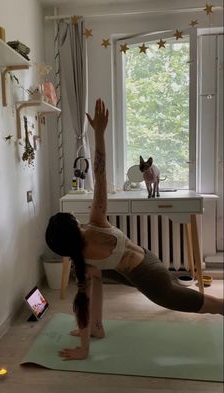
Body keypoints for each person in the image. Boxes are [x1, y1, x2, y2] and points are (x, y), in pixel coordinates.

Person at [45, 98, 224, 360]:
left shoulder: (82, 260)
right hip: (148, 263)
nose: (74, 214)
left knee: (212, 306)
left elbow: (82, 304)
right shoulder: (96, 222)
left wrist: (83, 350)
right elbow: (101, 172)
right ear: (72, 227)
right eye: (70, 217)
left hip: (151, 280)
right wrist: (99, 135)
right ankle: (98, 329)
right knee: (97, 279)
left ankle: (94, 331)